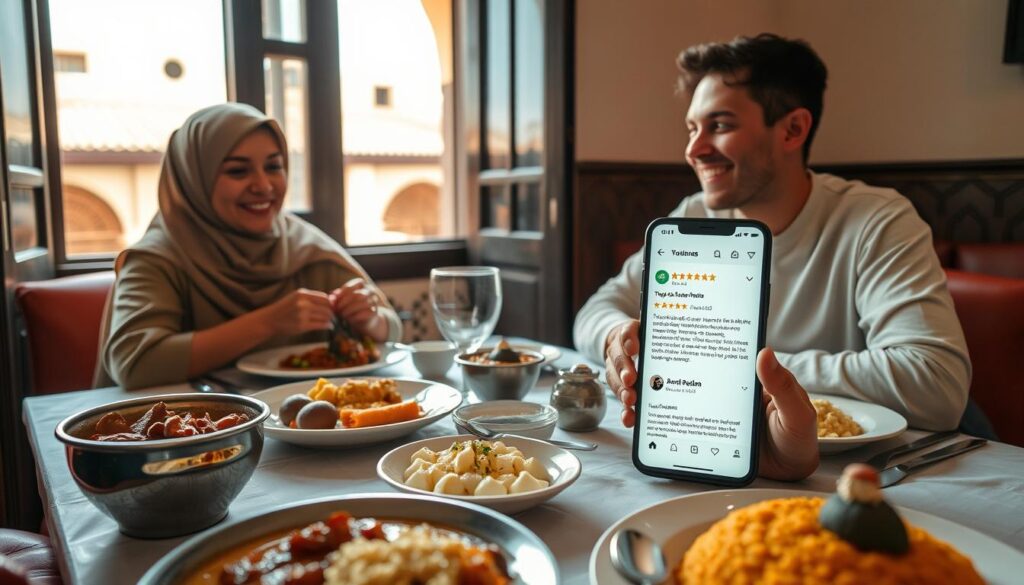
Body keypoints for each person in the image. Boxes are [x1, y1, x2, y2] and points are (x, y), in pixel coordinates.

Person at [574, 34, 972, 478]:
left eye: (719, 125)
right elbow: (595, 311)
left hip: (868, 475)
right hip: (735, 458)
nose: (694, 149)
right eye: (692, 128)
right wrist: (615, 339)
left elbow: (937, 383)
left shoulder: (876, 220)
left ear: (792, 130)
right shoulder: (697, 215)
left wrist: (734, 365)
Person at [96, 103, 402, 390]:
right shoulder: (159, 257)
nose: (264, 185)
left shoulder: (305, 246)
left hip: (316, 428)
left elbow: (392, 328)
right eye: (238, 171)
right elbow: (134, 362)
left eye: (274, 166)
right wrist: (269, 322)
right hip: (193, 436)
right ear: (194, 179)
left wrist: (371, 320)